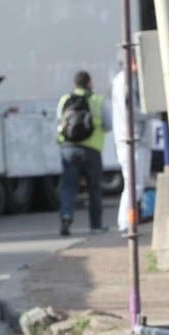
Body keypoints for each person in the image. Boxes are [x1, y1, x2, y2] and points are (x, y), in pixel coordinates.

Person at [56, 70, 112, 236]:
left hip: (68, 149)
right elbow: (108, 124)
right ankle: (95, 226)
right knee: (94, 189)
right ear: (89, 83)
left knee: (68, 186)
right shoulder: (98, 100)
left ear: (75, 84)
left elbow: (59, 121)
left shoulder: (65, 99)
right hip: (91, 150)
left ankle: (66, 216)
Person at [111, 53, 153, 233]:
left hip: (131, 138)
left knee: (135, 183)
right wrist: (150, 112)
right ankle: (126, 222)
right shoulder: (126, 81)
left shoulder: (122, 80)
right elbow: (132, 111)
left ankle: (128, 221)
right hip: (133, 139)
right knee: (135, 184)